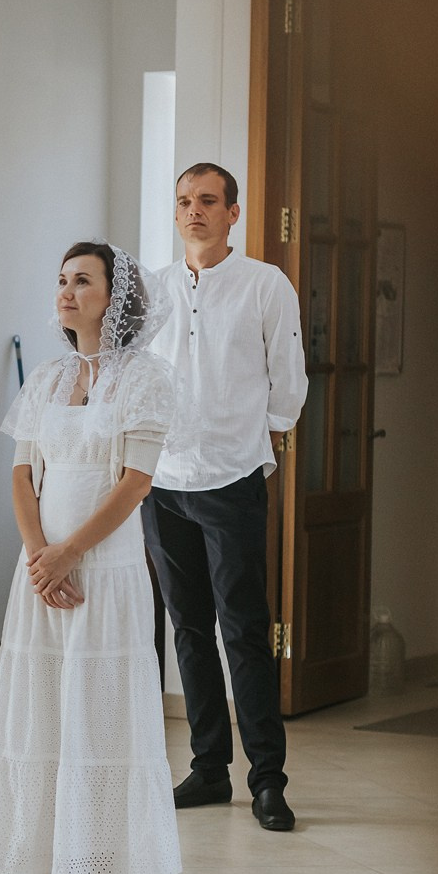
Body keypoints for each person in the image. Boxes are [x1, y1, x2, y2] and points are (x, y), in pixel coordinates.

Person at [0, 243, 179, 874]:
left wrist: (69, 555)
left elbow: (135, 482)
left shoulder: (146, 379)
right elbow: (20, 475)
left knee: (100, 713)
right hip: (44, 577)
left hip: (105, 573)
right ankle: (56, 865)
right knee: (50, 713)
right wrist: (39, 555)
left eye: (81, 280)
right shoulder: (48, 380)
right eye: (61, 279)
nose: (65, 290)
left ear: (114, 298)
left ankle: (100, 873)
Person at [145, 163, 308, 832]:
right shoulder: (154, 289)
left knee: (243, 627)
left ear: (233, 213)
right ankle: (209, 767)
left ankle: (267, 778)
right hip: (162, 482)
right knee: (187, 627)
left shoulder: (264, 285)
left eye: (208, 201)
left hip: (233, 477)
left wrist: (256, 443)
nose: (195, 212)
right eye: (184, 201)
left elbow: (287, 382)